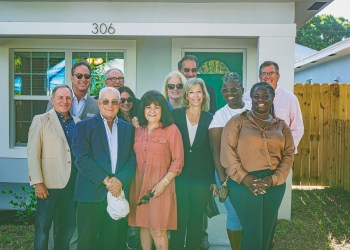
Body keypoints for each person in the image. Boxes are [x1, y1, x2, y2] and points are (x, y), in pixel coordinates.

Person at [221, 82, 295, 250]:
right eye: (256, 96)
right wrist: (245, 178)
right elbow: (227, 152)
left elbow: (289, 154)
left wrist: (274, 179)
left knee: (268, 230)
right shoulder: (237, 122)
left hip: (273, 185)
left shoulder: (281, 126)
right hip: (243, 184)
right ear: (251, 98)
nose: (261, 100)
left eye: (265, 96)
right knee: (253, 231)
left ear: (273, 98)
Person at [72, 87, 136, 250]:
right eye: (105, 101)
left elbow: (132, 158)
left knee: (113, 242)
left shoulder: (127, 128)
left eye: (114, 101)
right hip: (91, 194)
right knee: (87, 242)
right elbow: (81, 158)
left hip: (117, 194)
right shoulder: (83, 127)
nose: (110, 105)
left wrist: (120, 180)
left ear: (119, 103)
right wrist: (107, 181)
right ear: (98, 103)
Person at [128, 90, 184, 250]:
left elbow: (178, 161)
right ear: (142, 110)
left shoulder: (171, 130)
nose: (152, 111)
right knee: (143, 226)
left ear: (163, 110)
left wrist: (163, 183)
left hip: (161, 186)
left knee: (158, 230)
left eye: (156, 107)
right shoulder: (138, 129)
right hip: (139, 184)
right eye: (148, 107)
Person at [28, 85, 79, 250]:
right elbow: (33, 154)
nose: (65, 101)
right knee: (43, 227)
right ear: (53, 100)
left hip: (72, 184)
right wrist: (37, 182)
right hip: (48, 185)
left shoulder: (77, 122)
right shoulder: (41, 120)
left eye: (68, 98)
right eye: (61, 98)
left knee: (68, 225)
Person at [171, 78, 217, 250]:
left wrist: (213, 179)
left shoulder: (210, 118)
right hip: (179, 176)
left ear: (204, 95)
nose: (195, 95)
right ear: (186, 95)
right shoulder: (175, 116)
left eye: (199, 91)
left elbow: (213, 151)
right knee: (179, 219)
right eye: (191, 92)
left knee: (196, 220)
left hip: (201, 178)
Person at [208, 72, 251, 250]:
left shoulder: (253, 108)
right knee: (234, 213)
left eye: (233, 89)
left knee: (250, 214)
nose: (229, 93)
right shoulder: (220, 115)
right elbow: (215, 150)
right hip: (228, 174)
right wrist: (222, 179)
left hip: (253, 172)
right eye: (225, 90)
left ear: (241, 89)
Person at [243, 61, 304, 151]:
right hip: (254, 150)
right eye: (264, 73)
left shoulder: (289, 98)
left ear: (278, 76)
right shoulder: (249, 96)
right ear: (260, 77)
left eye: (271, 73)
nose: (267, 76)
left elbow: (297, 128)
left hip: (280, 151)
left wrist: (288, 149)